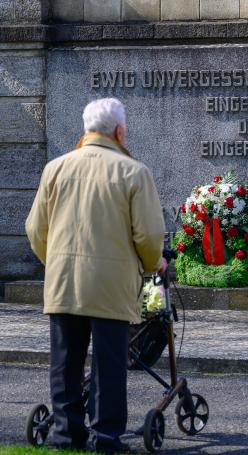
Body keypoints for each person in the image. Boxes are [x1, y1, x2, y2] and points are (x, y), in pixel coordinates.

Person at [25, 98, 167, 453]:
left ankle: (65, 435)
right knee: (108, 366)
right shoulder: (133, 172)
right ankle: (105, 438)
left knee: (65, 363)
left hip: (63, 284)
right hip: (110, 285)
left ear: (87, 128)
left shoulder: (55, 168)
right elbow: (148, 236)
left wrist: (55, 261)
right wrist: (152, 265)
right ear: (119, 131)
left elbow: (35, 229)